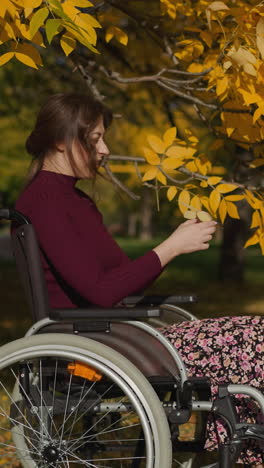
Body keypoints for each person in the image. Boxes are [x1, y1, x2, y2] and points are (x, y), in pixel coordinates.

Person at [10, 93, 264, 467]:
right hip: (92, 341)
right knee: (256, 336)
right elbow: (99, 291)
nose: (106, 149)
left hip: (112, 332)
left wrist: (173, 244)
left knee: (254, 332)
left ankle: (245, 450)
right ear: (61, 141)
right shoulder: (46, 201)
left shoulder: (75, 201)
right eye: (95, 138)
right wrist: (171, 248)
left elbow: (120, 283)